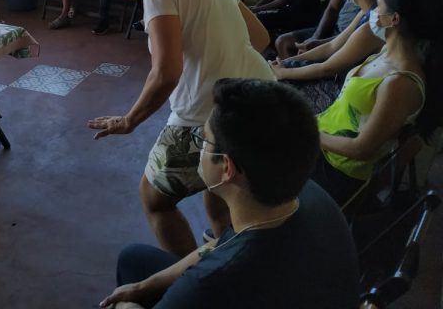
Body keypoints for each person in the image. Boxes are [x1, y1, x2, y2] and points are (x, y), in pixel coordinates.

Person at [88, 0, 273, 257]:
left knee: (153, 198)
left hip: (205, 115)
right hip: (256, 100)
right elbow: (261, 38)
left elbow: (166, 73)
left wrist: (129, 120)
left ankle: (191, 276)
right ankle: (227, 258)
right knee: (219, 189)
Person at [100, 79, 359, 309]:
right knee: (134, 259)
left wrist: (125, 305)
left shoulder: (209, 283)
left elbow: (214, 272)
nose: (199, 147)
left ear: (226, 167)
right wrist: (144, 286)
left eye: (203, 140)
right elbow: (221, 244)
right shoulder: (303, 194)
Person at [313, 0, 443, 206]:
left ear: (394, 19)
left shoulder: (401, 83)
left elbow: (361, 149)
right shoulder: (385, 52)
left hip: (337, 171)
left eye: (379, 6)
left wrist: (309, 134)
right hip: (323, 144)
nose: (373, 11)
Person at [270, 0, 395, 113]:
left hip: (344, 92)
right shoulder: (366, 13)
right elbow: (332, 46)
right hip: (341, 79)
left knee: (280, 90)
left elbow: (327, 68)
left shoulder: (371, 27)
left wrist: (283, 72)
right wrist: (288, 61)